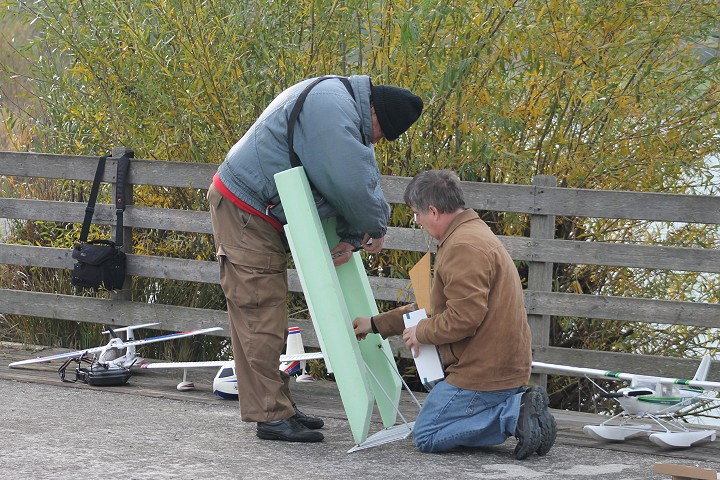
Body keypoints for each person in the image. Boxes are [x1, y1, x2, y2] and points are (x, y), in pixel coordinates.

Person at [208, 75, 423, 443]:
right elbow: (351, 184)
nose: (377, 141)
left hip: (258, 210)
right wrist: (375, 227)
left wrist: (354, 235)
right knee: (260, 312)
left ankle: (280, 406)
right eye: (380, 134)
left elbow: (359, 170)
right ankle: (272, 416)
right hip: (245, 211)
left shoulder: (340, 103)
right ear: (374, 113)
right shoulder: (333, 113)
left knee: (265, 311)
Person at [352, 170, 557, 458]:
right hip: (497, 365)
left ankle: (513, 414)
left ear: (433, 211)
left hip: (484, 372)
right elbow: (437, 309)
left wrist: (421, 331)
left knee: (427, 434)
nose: (418, 222)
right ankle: (514, 404)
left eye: (416, 215)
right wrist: (375, 324)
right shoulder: (469, 234)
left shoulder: (463, 247)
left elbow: (463, 318)